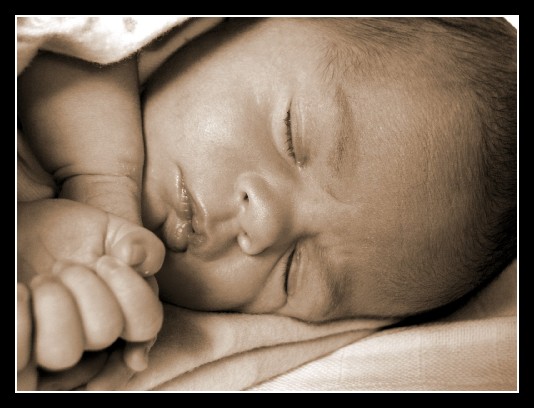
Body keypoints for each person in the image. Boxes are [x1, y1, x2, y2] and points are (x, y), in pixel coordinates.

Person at [16, 17, 517, 390]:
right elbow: (74, 41)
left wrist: (56, 328)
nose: (264, 226)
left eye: (293, 272)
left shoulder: (104, 295)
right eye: (292, 136)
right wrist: (101, 183)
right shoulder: (112, 41)